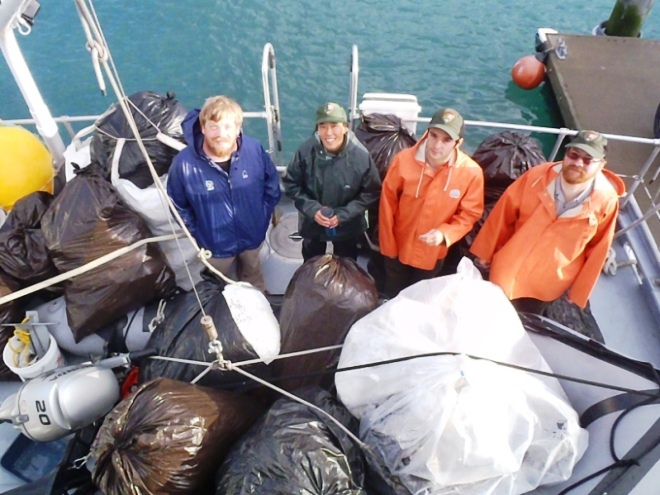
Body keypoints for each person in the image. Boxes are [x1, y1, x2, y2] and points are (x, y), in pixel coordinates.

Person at [470, 130, 625, 313]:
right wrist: (485, 253)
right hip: (506, 270)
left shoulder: (606, 201)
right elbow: (502, 216)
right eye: (573, 155)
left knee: (525, 324)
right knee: (489, 313)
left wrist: (579, 293)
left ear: (601, 165)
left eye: (587, 160)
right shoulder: (536, 177)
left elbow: (599, 250)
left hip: (547, 285)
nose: (577, 163)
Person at [167, 95, 281, 291]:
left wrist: (261, 217)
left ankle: (258, 294)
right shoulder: (184, 164)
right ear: (203, 128)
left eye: (228, 127)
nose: (221, 134)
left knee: (252, 271)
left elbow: (271, 185)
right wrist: (199, 232)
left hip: (252, 235)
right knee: (220, 283)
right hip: (215, 245)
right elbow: (178, 205)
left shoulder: (254, 150)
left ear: (237, 129)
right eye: (214, 127)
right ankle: (224, 303)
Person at [378, 108, 485, 298]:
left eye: (446, 140)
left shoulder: (471, 173)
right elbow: (387, 205)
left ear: (458, 143)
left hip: (432, 254)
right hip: (397, 246)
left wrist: (445, 234)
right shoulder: (402, 161)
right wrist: (388, 245)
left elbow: (469, 214)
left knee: (422, 295)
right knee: (393, 293)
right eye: (433, 136)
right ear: (426, 133)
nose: (437, 145)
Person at [283, 102, 381, 262]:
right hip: (312, 221)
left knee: (346, 260)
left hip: (347, 225)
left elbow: (371, 192)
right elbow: (291, 184)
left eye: (334, 126)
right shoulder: (305, 151)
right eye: (323, 126)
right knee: (311, 259)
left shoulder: (361, 157)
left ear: (345, 127)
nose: (328, 133)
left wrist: (343, 215)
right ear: (317, 128)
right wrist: (313, 210)